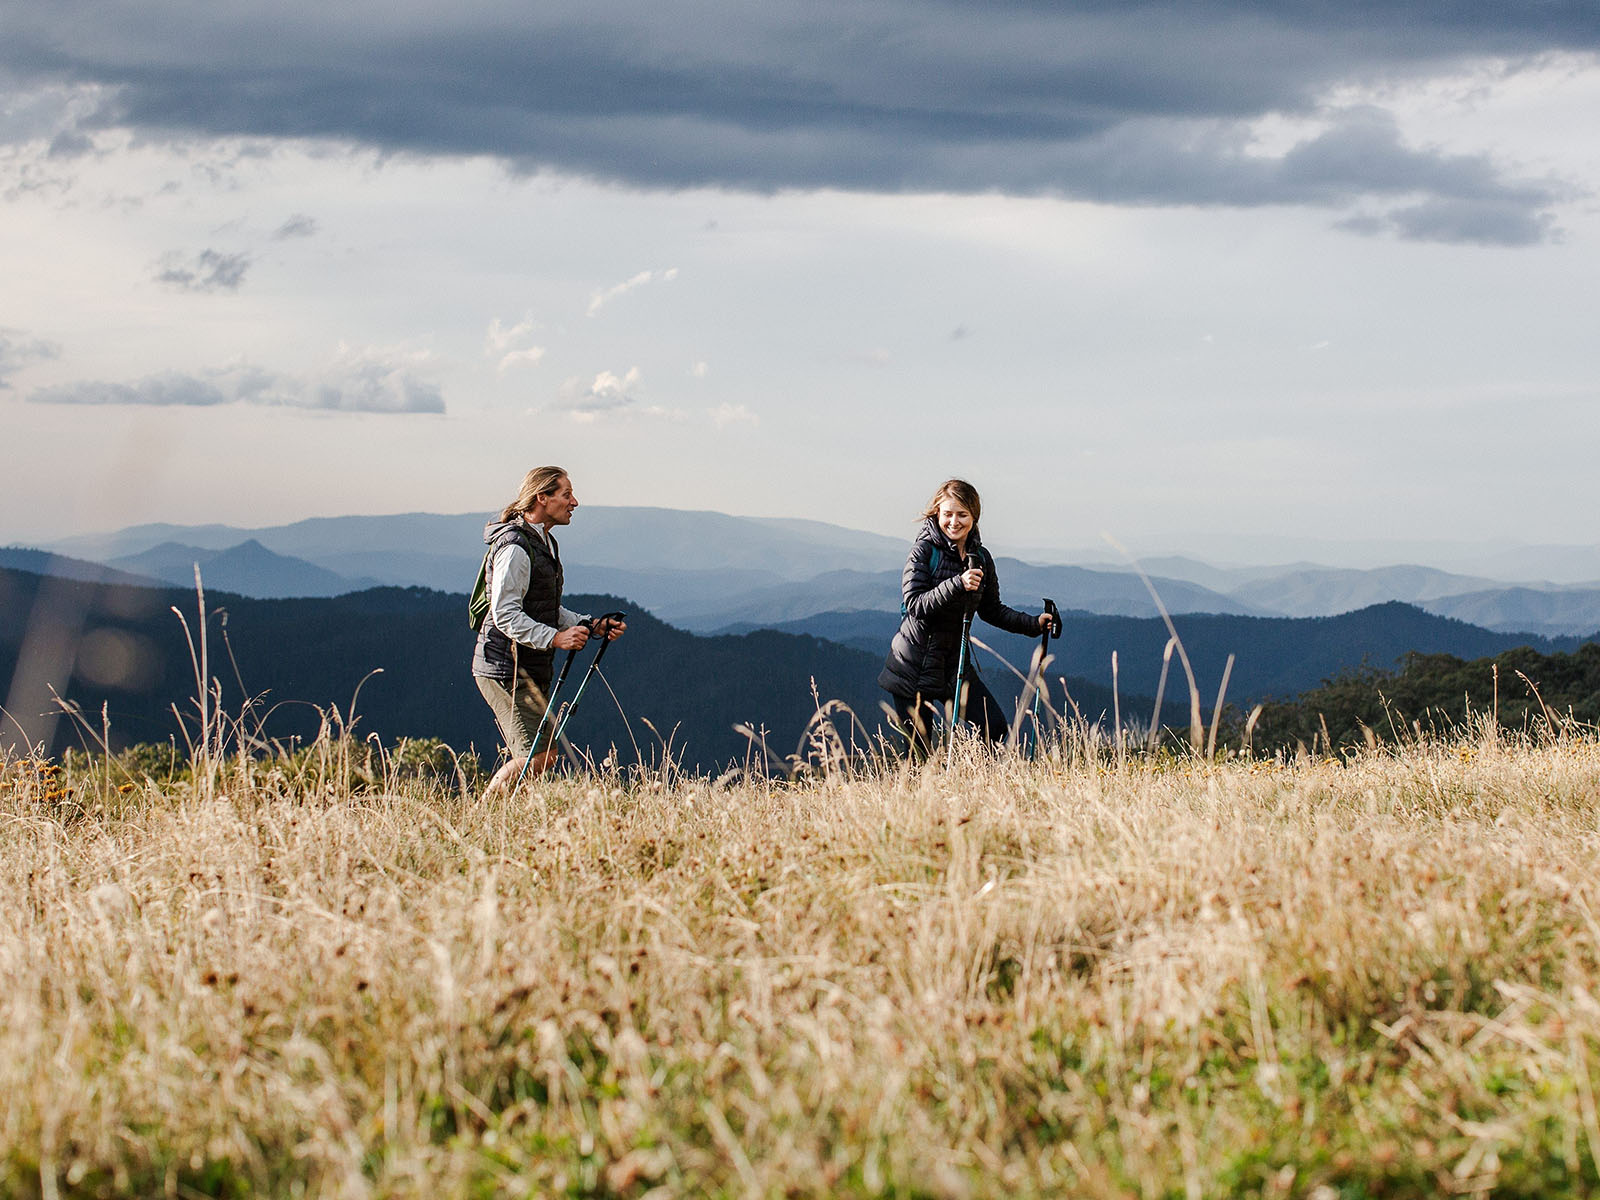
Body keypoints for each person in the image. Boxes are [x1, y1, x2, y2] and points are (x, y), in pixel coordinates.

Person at [473, 466, 625, 792]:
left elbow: (545, 608)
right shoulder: (515, 547)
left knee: (541, 757)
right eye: (566, 494)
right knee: (538, 757)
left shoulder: (543, 543)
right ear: (542, 497)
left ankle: (503, 821)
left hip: (524, 665)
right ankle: (484, 816)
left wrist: (590, 626)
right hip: (504, 666)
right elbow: (506, 614)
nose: (575, 502)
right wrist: (555, 638)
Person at [878, 478, 1052, 755]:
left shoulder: (980, 557)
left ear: (974, 516)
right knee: (918, 757)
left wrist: (1034, 624)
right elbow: (915, 605)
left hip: (954, 666)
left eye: (962, 514)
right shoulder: (923, 552)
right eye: (947, 514)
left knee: (995, 728)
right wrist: (957, 584)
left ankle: (983, 791)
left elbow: (992, 610)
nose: (954, 522)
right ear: (937, 513)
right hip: (912, 667)